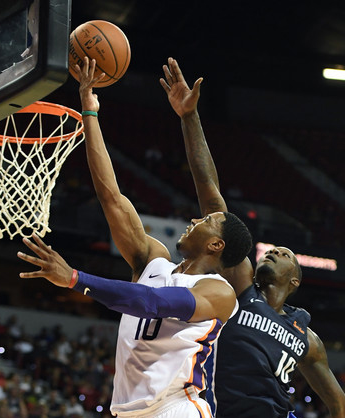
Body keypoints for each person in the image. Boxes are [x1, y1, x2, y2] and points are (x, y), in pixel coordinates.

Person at [17, 56, 252, 418]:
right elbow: (111, 196)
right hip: (128, 412)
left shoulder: (217, 292)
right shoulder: (152, 260)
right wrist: (89, 113)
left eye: (206, 220)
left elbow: (152, 303)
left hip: (179, 409)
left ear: (216, 245)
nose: (194, 218)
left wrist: (76, 279)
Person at [160, 57, 345, 418]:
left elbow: (341, 406)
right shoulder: (239, 288)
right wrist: (189, 118)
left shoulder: (306, 338)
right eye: (275, 251)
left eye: (285, 255)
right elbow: (211, 199)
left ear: (295, 280)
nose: (277, 252)